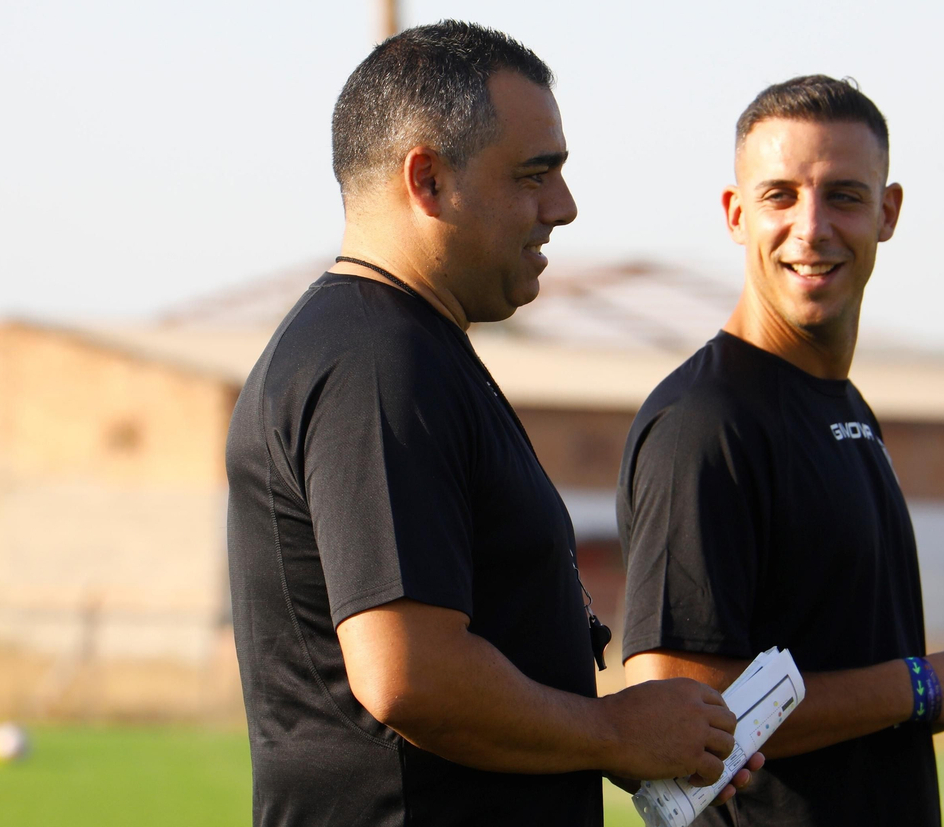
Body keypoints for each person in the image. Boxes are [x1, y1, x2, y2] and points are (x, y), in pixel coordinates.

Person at [225, 22, 758, 827]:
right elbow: (410, 673)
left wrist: (640, 732)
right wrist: (611, 731)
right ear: (429, 179)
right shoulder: (377, 363)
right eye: (535, 175)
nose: (564, 207)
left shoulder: (407, 349)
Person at [619, 75, 944, 826]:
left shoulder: (846, 408)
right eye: (780, 195)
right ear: (735, 213)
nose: (811, 227)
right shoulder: (704, 421)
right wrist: (925, 687)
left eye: (843, 195)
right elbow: (678, 709)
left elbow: (840, 653)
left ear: (888, 212)